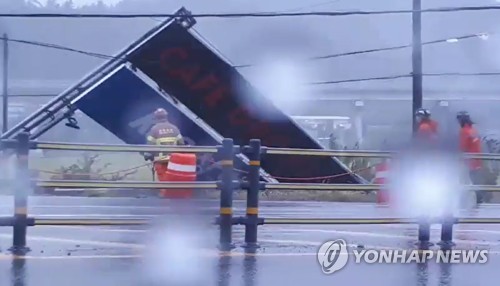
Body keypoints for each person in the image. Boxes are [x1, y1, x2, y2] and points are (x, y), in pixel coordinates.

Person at [143, 108, 184, 182]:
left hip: (160, 161)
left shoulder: (154, 129)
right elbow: (181, 144)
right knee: (173, 179)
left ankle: (165, 191)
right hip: (174, 160)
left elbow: (150, 147)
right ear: (166, 117)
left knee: (163, 181)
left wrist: (147, 156)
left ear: (156, 118)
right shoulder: (174, 128)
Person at [457, 111, 487, 204]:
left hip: (468, 161)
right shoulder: (474, 130)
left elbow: (463, 146)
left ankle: (463, 200)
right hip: (477, 160)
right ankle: (479, 198)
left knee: (464, 181)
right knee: (475, 180)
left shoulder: (464, 131)